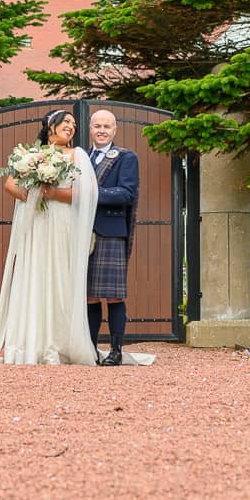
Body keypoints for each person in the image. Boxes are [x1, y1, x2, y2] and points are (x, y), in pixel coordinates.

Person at [0, 108, 98, 365]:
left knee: (60, 276)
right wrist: (32, 196)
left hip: (62, 223)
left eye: (74, 124)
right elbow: (10, 185)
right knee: (35, 274)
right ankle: (30, 342)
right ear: (50, 126)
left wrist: (52, 194)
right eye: (66, 122)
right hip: (37, 223)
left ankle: (60, 343)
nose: (71, 127)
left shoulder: (78, 155)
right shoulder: (32, 154)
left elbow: (84, 194)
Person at [86, 107, 139, 366]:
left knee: (114, 295)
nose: (102, 130)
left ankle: (116, 351)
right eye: (97, 126)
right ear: (90, 129)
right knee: (89, 296)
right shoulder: (81, 157)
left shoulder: (126, 158)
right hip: (82, 233)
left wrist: (92, 193)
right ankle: (90, 348)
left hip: (111, 232)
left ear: (115, 130)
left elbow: (126, 194)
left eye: (107, 126)